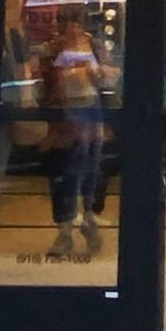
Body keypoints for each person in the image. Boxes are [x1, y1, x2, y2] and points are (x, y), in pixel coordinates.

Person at [44, 14, 109, 260]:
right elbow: (50, 82)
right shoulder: (54, 48)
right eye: (71, 23)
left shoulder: (93, 44)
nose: (75, 29)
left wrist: (99, 73)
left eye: (78, 24)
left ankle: (87, 217)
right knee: (68, 167)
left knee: (91, 164)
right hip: (66, 111)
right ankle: (66, 228)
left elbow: (107, 76)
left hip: (91, 107)